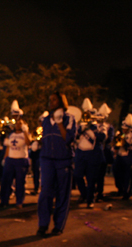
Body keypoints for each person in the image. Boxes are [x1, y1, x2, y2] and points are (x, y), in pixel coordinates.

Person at [37, 91, 76, 236]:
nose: (51, 102)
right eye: (50, 100)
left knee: (62, 194)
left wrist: (60, 123)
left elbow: (68, 139)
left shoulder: (69, 118)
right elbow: (46, 138)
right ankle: (43, 224)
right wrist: (37, 143)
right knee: (45, 192)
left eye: (54, 99)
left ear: (61, 101)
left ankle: (58, 226)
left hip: (63, 160)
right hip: (47, 160)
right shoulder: (46, 120)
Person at [73, 98, 107, 209]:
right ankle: (84, 194)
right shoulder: (81, 125)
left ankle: (90, 200)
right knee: (77, 176)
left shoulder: (101, 126)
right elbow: (75, 137)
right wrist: (82, 129)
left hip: (93, 155)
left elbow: (103, 138)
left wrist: (93, 128)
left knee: (91, 179)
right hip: (81, 154)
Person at [0, 118, 31, 209]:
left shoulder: (25, 134)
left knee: (20, 182)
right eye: (17, 123)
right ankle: (4, 201)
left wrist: (25, 132)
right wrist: (5, 157)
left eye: (20, 123)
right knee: (6, 181)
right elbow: (8, 146)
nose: (18, 125)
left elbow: (29, 143)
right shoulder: (11, 134)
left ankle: (19, 201)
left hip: (21, 160)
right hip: (10, 160)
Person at [113, 114, 132, 200]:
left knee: (127, 176)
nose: (123, 129)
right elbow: (116, 146)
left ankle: (126, 192)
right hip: (120, 157)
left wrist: (125, 143)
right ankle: (120, 189)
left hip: (127, 158)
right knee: (117, 173)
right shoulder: (122, 135)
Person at [95, 103, 114, 202]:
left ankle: (100, 192)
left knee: (101, 174)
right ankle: (93, 191)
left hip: (103, 153)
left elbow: (109, 139)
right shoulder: (94, 125)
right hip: (93, 152)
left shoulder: (109, 127)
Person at [29, 111, 48, 195]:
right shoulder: (37, 130)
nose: (40, 123)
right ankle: (36, 187)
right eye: (40, 121)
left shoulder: (48, 130)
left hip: (45, 153)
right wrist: (35, 141)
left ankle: (44, 188)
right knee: (36, 171)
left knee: (45, 172)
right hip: (36, 154)